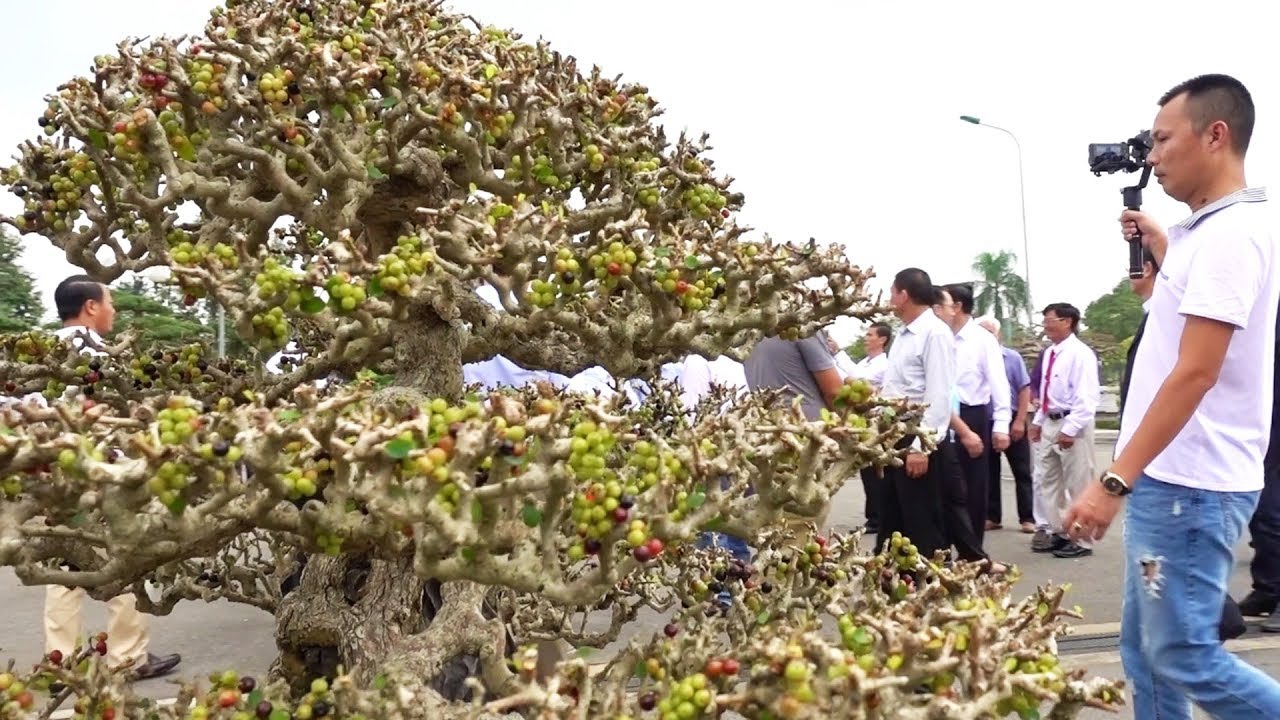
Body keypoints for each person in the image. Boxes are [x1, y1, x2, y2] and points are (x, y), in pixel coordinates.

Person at [1065, 73, 1280, 718]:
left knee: (1184, 655)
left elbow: (1195, 372)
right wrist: (1161, 248)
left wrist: (1113, 480)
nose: (1151, 157)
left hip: (1191, 487)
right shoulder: (1199, 233)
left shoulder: (1230, 235)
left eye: (1162, 141)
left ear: (1215, 135)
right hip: (1172, 478)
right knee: (1144, 652)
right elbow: (1167, 320)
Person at [38, 276, 182, 680]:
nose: (113, 311)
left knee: (65, 567)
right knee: (125, 557)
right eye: (110, 303)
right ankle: (127, 657)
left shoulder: (41, 351)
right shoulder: (98, 354)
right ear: (90, 307)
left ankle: (60, 664)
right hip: (102, 472)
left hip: (57, 472)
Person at [875, 269, 953, 561]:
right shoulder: (903, 335)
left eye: (892, 292)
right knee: (893, 516)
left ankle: (932, 586)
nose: (890, 299)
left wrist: (921, 446)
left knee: (922, 521)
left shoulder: (934, 333)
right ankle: (893, 582)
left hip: (917, 436)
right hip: (893, 434)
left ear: (904, 294)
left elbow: (939, 393)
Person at [744, 331, 843, 531]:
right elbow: (834, 391)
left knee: (775, 522)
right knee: (801, 521)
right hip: (805, 437)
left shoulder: (750, 331)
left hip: (767, 433)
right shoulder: (801, 328)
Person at [940, 283, 1011, 548]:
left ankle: (972, 551)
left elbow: (998, 383)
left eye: (941, 303)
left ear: (956, 306)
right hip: (942, 416)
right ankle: (944, 548)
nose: (936, 309)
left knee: (973, 486)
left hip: (972, 416)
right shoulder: (938, 336)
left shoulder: (983, 340)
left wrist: (1001, 425)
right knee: (944, 484)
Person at [1030, 302, 1099, 559]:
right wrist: (1038, 422)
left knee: (1078, 482)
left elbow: (1086, 398)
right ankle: (1060, 531)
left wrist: (1070, 430)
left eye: (1050, 319)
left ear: (1067, 321)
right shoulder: (1050, 353)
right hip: (1050, 420)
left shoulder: (1080, 354)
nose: (1046, 325)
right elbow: (1049, 394)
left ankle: (1082, 540)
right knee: (1047, 478)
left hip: (1073, 422)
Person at [978, 317, 1035, 533]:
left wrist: (1020, 420)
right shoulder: (975, 357)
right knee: (988, 472)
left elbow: (1024, 389)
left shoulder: (1012, 358)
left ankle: (1027, 517)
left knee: (1022, 471)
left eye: (989, 332)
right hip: (986, 419)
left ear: (998, 334)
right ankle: (992, 516)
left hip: (1011, 419)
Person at [848, 322, 892, 532]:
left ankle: (879, 516)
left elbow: (857, 382)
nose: (866, 338)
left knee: (876, 470)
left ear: (882, 339)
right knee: (866, 469)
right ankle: (873, 515)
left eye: (870, 334)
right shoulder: (865, 362)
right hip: (861, 420)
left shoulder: (883, 364)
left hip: (876, 420)